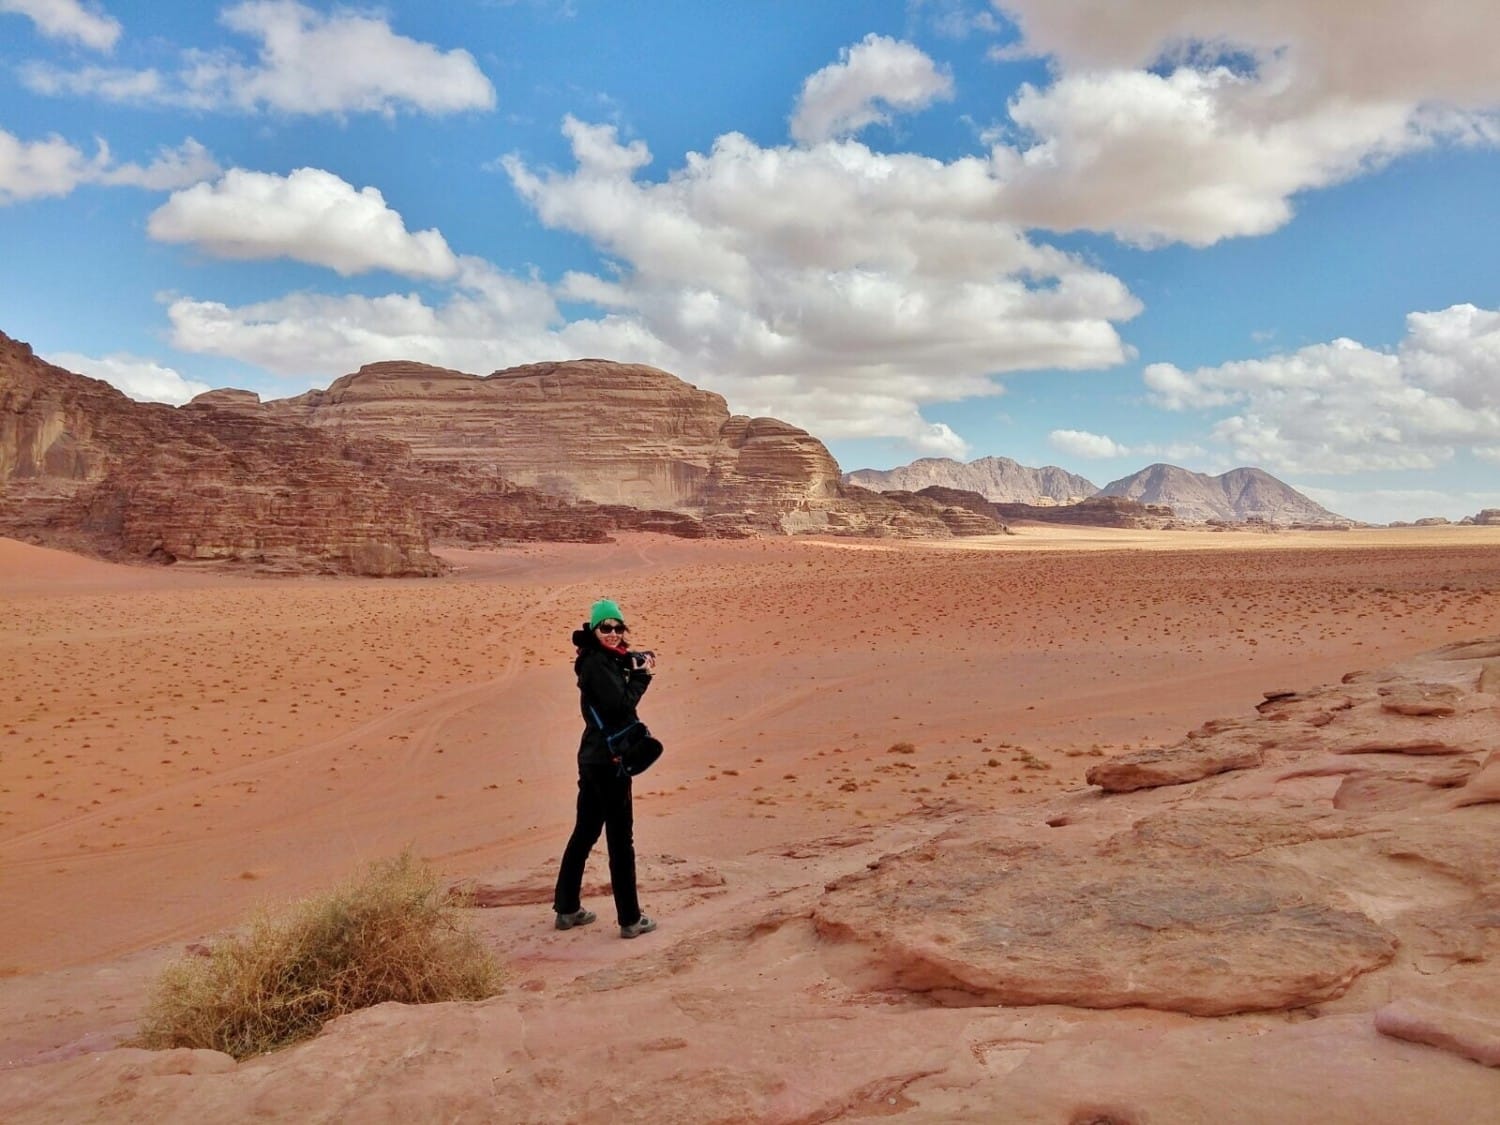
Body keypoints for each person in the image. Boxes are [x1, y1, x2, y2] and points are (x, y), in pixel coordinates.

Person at [552, 598, 659, 939]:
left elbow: (621, 667)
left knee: (584, 832)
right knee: (620, 841)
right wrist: (643, 678)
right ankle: (630, 919)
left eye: (617, 628)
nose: (613, 634)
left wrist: (634, 660)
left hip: (593, 758)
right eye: (606, 628)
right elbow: (619, 706)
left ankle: (567, 909)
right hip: (610, 763)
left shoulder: (599, 659)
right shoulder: (598, 664)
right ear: (594, 629)